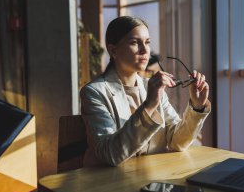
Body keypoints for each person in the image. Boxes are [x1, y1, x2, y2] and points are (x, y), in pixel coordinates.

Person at [80, 16, 210, 167]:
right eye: (134, 43)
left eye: (147, 42)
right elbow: (110, 154)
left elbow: (177, 141)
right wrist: (149, 105)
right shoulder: (93, 92)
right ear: (113, 50)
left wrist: (197, 106)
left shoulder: (152, 86)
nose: (144, 50)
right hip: (111, 184)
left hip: (151, 178)